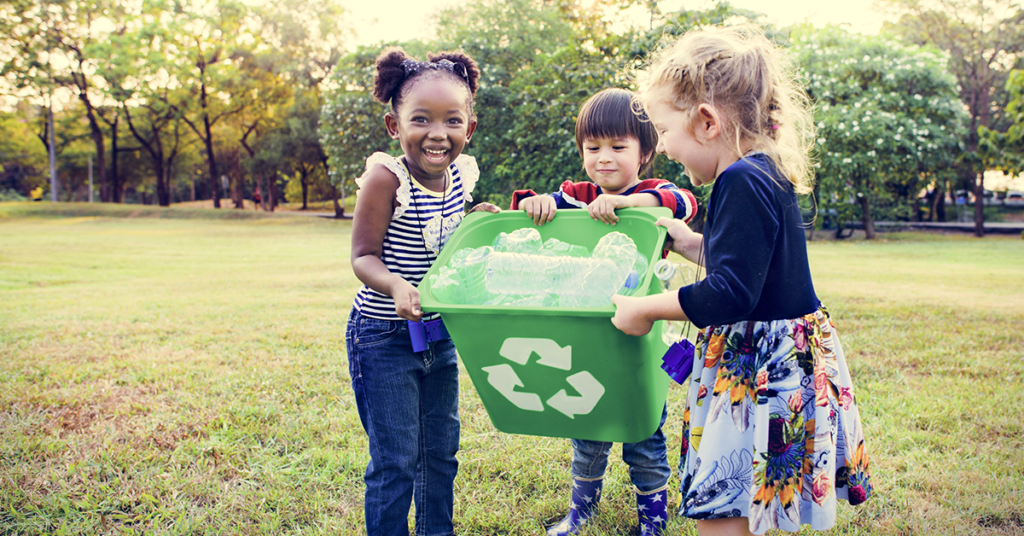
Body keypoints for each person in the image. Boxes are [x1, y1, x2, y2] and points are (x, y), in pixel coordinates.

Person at [610, 26, 873, 536]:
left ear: (706, 122)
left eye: (664, 131)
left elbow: (731, 293)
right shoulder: (763, 169)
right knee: (750, 507)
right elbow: (752, 267)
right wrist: (689, 242)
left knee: (725, 512)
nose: (662, 148)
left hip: (758, 369)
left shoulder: (738, 179)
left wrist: (643, 309)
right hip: (785, 358)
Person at [511, 88, 699, 536]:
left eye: (618, 147)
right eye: (593, 148)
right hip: (588, 337)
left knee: (644, 434)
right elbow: (532, 209)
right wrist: (533, 203)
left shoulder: (654, 195)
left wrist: (626, 202)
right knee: (587, 423)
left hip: (641, 340)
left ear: (646, 151)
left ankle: (652, 521)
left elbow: (683, 202)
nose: (604, 158)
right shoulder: (579, 196)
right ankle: (582, 512)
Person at [347, 46, 499, 536]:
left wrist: (476, 225)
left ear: (469, 128)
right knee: (395, 459)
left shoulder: (462, 176)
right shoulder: (385, 178)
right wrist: (395, 284)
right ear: (395, 126)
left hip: (439, 334)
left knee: (440, 450)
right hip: (385, 336)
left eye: (452, 121)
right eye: (421, 120)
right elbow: (363, 256)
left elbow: (445, 246)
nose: (438, 134)